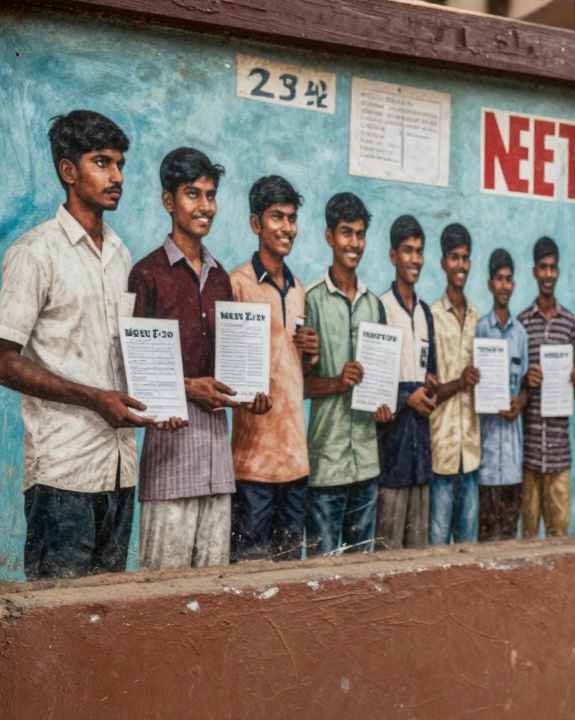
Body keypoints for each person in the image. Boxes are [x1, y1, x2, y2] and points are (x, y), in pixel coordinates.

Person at [0, 110, 152, 579]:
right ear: (68, 171)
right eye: (102, 162)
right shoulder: (34, 252)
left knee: (109, 620)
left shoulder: (123, 255)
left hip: (120, 469)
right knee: (57, 624)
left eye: (120, 164)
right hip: (62, 473)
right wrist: (92, 398)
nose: (117, 176)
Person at [129, 148, 271, 570]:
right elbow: (135, 368)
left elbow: (225, 368)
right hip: (170, 457)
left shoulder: (221, 277)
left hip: (216, 460)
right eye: (193, 194)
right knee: (162, 597)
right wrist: (183, 390)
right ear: (169, 201)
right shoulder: (147, 274)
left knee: (212, 592)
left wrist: (248, 394)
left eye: (211, 195)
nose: (205, 206)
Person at [228, 175, 319, 562]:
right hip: (253, 466)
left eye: (292, 219)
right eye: (277, 217)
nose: (287, 228)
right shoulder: (237, 285)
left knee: (289, 581)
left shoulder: (299, 289)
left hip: (296, 462)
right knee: (249, 577)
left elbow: (300, 374)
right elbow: (227, 372)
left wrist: (311, 353)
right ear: (256, 224)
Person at [303, 192, 392, 556]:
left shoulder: (375, 305)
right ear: (329, 237)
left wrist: (383, 407)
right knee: (323, 573)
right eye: (345, 233)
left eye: (360, 234)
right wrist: (338, 382)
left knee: (362, 575)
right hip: (326, 465)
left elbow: (381, 386)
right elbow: (301, 386)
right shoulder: (310, 300)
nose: (354, 243)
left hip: (367, 464)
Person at [375, 214, 438, 550]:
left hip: (421, 455)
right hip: (394, 452)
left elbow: (433, 372)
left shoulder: (426, 313)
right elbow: (374, 379)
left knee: (419, 548)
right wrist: (407, 397)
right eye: (407, 250)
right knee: (389, 547)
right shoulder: (381, 308)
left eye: (419, 251)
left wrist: (432, 389)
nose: (414, 258)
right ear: (392, 255)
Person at [518, 236, 575, 538]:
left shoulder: (569, 322)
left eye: (552, 268)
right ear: (534, 271)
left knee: (560, 536)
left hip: (559, 455)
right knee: (529, 536)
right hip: (528, 453)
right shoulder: (521, 323)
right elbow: (513, 383)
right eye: (542, 267)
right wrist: (525, 381)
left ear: (558, 272)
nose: (547, 274)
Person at [428, 223, 482, 545]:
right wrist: (461, 383)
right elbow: (430, 388)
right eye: (453, 257)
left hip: (472, 451)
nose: (460, 265)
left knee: (468, 546)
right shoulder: (430, 316)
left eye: (465, 258)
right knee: (437, 546)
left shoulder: (479, 317)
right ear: (443, 262)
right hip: (442, 450)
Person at [475, 249, 528, 542]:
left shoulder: (521, 334)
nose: (504, 285)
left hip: (513, 460)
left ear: (514, 284)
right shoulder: (479, 328)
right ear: (489, 283)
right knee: (486, 538)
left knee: (509, 537)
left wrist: (520, 400)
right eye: (499, 279)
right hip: (487, 457)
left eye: (509, 279)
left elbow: (526, 386)